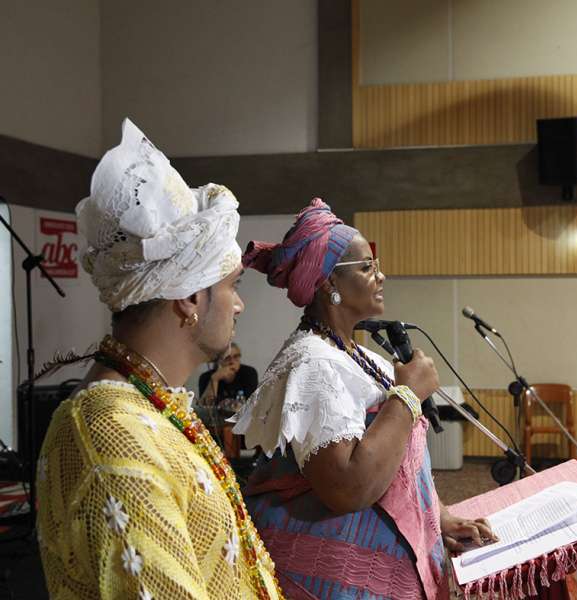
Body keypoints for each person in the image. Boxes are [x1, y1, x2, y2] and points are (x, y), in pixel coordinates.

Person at [36, 119, 283, 600]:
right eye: (231, 286)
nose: (238, 304)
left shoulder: (146, 407)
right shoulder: (111, 435)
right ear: (190, 297)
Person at [232, 198, 495, 599]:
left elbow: (399, 463)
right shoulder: (312, 364)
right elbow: (347, 488)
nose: (381, 276)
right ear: (328, 283)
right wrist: (407, 396)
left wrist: (439, 518)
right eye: (367, 267)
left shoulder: (360, 356)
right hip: (339, 581)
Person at [198, 342, 259, 412]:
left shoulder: (249, 372)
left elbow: (252, 405)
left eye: (236, 357)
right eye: (227, 358)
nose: (232, 361)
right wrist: (214, 380)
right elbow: (205, 408)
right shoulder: (206, 377)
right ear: (218, 360)